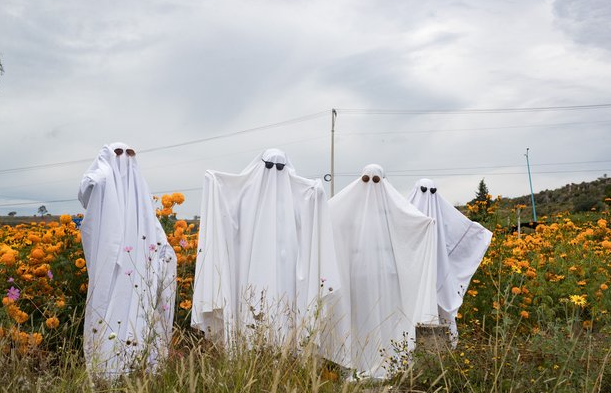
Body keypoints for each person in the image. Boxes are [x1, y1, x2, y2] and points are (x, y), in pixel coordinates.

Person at [192, 148, 348, 364]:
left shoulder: (300, 196)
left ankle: (286, 355)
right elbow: (227, 210)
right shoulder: (245, 194)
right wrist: (215, 183)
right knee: (250, 308)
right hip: (248, 270)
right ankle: (250, 358)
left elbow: (311, 224)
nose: (274, 173)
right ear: (260, 166)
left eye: (280, 167)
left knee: (286, 312)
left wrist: (316, 193)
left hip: (289, 274)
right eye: (269, 166)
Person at [78, 142, 176, 379]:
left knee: (137, 313)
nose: (124, 160)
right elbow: (86, 190)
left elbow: (154, 229)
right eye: (118, 155)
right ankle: (108, 368)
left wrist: (165, 254)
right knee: (109, 310)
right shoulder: (102, 182)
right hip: (110, 267)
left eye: (129, 155)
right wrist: (102, 171)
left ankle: (135, 365)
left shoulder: (140, 193)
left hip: (139, 268)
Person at [329, 164, 438, 378]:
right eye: (367, 180)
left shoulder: (383, 209)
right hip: (365, 271)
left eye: (375, 180)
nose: (371, 185)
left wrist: (426, 225)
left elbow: (412, 226)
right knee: (364, 315)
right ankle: (363, 359)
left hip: (377, 272)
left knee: (386, 313)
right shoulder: (385, 208)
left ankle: (383, 359)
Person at [407, 178, 492, 344]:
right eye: (424, 191)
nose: (428, 197)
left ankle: (430, 349)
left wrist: (479, 233)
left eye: (432, 192)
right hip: (426, 274)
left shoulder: (409, 212)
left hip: (431, 272)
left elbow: (463, 231)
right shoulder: (414, 215)